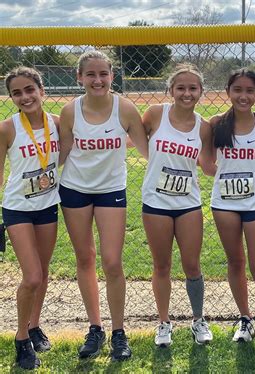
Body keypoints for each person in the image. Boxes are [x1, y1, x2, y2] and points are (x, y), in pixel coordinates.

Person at [59, 50, 148, 361]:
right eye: (91, 74)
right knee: (85, 258)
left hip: (110, 190)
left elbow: (148, 150)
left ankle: (119, 332)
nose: (97, 80)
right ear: (80, 78)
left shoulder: (124, 109)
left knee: (112, 261)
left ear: (112, 76)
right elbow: (63, 151)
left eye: (103, 74)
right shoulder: (70, 111)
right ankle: (95, 328)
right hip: (74, 190)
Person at [202, 69, 255, 345]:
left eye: (249, 90)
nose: (243, 96)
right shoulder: (216, 124)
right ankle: (245, 319)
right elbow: (207, 165)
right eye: (237, 90)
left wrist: (253, 170)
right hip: (224, 203)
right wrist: (230, 172)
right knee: (236, 261)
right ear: (228, 92)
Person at [141, 64, 214, 347]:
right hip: (156, 201)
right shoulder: (156, 114)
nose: (186, 93)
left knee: (192, 265)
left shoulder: (203, 127)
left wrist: (248, 165)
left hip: (188, 203)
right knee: (161, 265)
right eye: (180, 87)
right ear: (170, 90)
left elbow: (207, 166)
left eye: (192, 88)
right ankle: (163, 323)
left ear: (200, 92)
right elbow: (135, 137)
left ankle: (198, 320)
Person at [0, 67, 60, 370]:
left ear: (41, 90)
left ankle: (34, 326)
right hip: (18, 209)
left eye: (29, 90)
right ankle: (21, 338)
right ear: (11, 97)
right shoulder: (7, 128)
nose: (25, 97)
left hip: (48, 207)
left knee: (44, 272)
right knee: (32, 276)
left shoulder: (58, 124)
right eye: (17, 93)